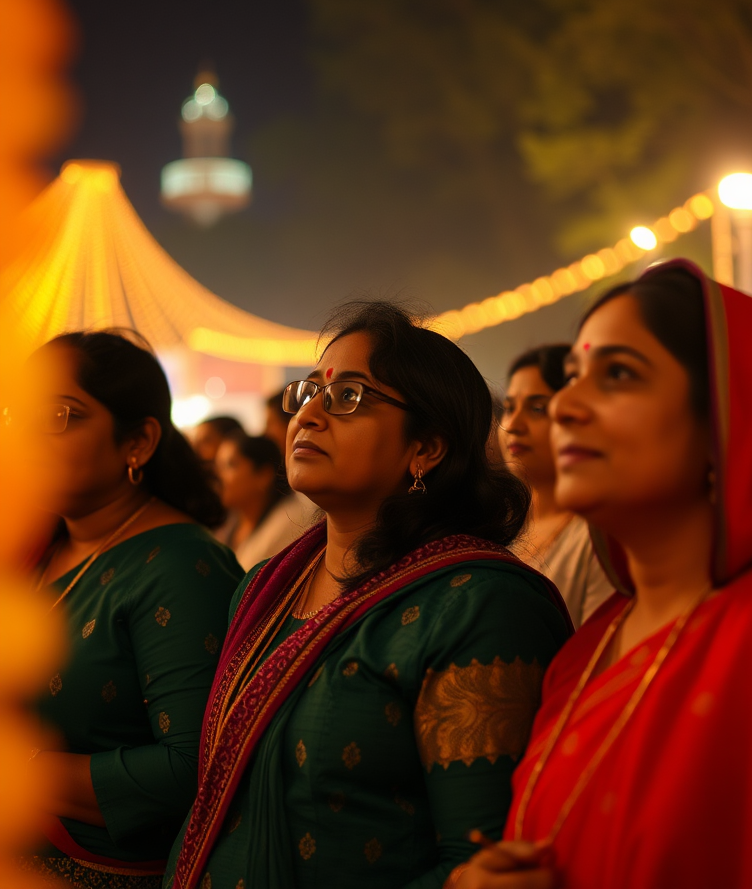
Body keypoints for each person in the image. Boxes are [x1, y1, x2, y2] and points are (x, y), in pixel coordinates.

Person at [165, 302, 572, 889]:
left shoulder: (476, 604)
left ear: (426, 448)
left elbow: (477, 865)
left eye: (348, 397)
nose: (309, 414)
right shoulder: (264, 589)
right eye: (308, 392)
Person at [460, 260, 752, 889]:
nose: (568, 406)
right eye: (572, 377)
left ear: (728, 417)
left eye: (618, 374)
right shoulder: (586, 649)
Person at [19, 331, 243, 888]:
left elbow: (192, 768)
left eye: (58, 414)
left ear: (138, 441)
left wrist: (23, 772)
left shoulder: (180, 566)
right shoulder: (37, 548)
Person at [498, 345, 612, 627]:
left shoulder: (598, 537)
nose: (513, 424)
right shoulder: (495, 527)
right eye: (509, 408)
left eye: (537, 408)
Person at [215, 432, 316, 571]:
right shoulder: (230, 522)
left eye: (231, 465)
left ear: (263, 475)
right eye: (218, 467)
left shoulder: (290, 521)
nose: (218, 476)